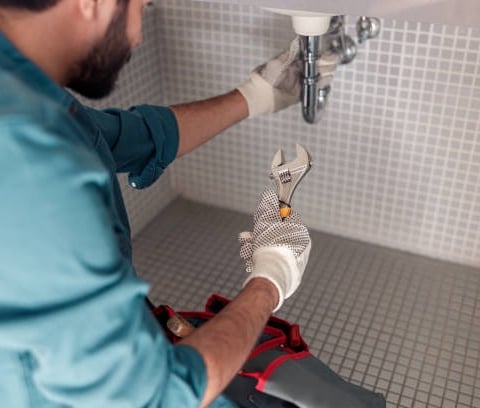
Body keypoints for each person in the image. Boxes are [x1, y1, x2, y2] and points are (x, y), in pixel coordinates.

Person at [0, 0, 337, 406]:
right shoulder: (31, 160)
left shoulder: (22, 91)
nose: (139, 34)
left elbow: (123, 137)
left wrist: (256, 96)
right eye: (142, 4)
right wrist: (271, 278)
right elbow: (160, 395)